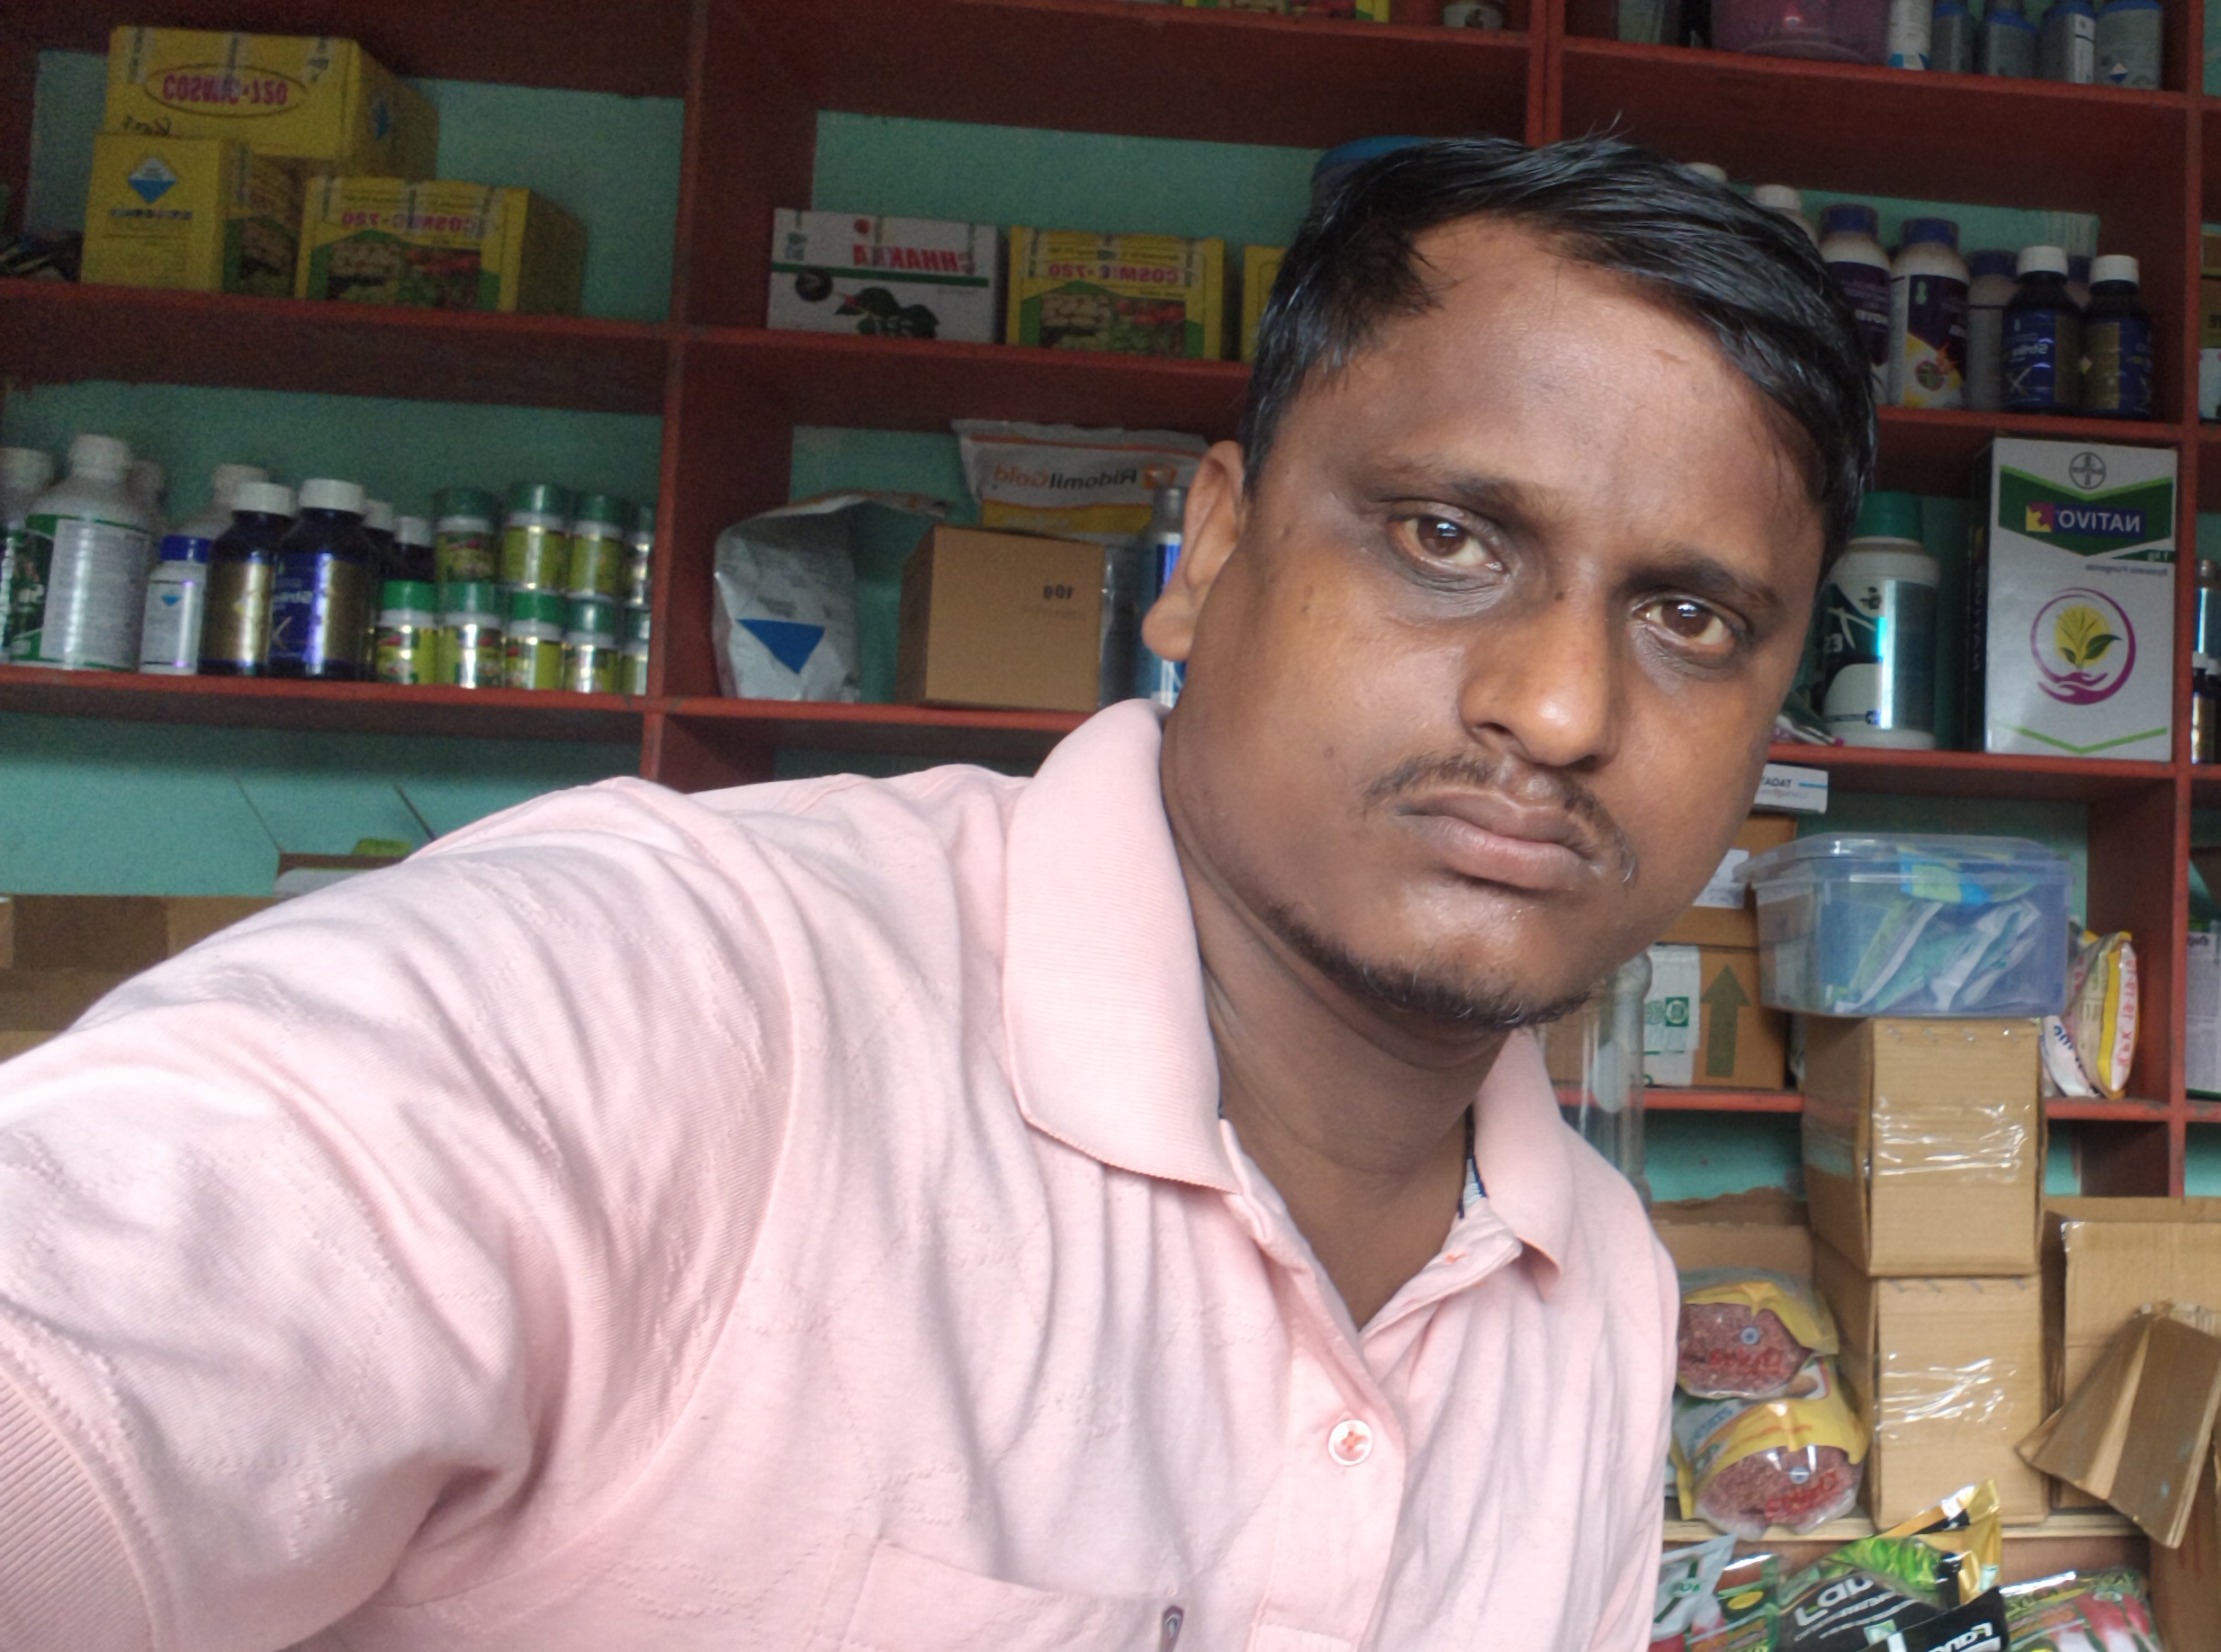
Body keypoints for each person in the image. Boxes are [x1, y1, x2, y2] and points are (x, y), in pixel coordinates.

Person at [0, 137, 1872, 1650]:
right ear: (1210, 550)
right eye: (1448, 537)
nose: (1560, 706)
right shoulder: (671, 996)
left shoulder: (1602, 1291)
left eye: (1692, 617)